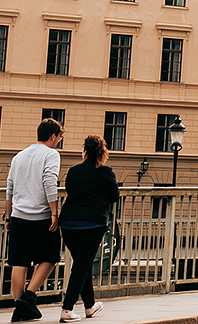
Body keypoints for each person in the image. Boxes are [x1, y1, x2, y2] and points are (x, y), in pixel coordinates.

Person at [5, 119, 64, 322]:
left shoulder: (19, 156)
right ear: (53, 136)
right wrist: (54, 212)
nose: (58, 141)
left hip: (17, 216)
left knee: (19, 261)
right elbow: (50, 181)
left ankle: (18, 306)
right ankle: (28, 296)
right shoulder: (51, 154)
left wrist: (8, 214)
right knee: (50, 256)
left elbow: (10, 187)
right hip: (40, 216)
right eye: (59, 137)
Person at [58, 136, 119, 323]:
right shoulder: (106, 171)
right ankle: (67, 309)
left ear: (84, 151)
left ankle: (90, 306)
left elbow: (70, 190)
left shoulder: (74, 170)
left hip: (68, 222)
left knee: (80, 264)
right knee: (82, 266)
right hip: (92, 223)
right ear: (102, 153)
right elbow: (114, 195)